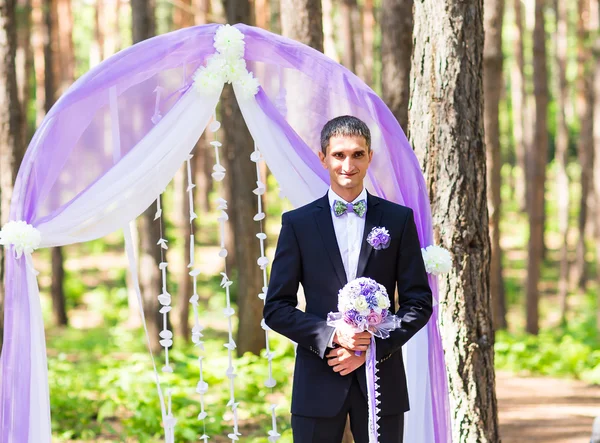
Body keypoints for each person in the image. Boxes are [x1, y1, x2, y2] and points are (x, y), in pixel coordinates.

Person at [263, 115, 433, 443]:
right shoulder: (297, 224)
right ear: (323, 157)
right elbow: (276, 309)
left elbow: (418, 302)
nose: (348, 164)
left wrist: (372, 345)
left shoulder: (398, 220)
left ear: (370, 157)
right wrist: (333, 336)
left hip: (382, 379)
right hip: (318, 375)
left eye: (357, 154)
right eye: (339, 154)